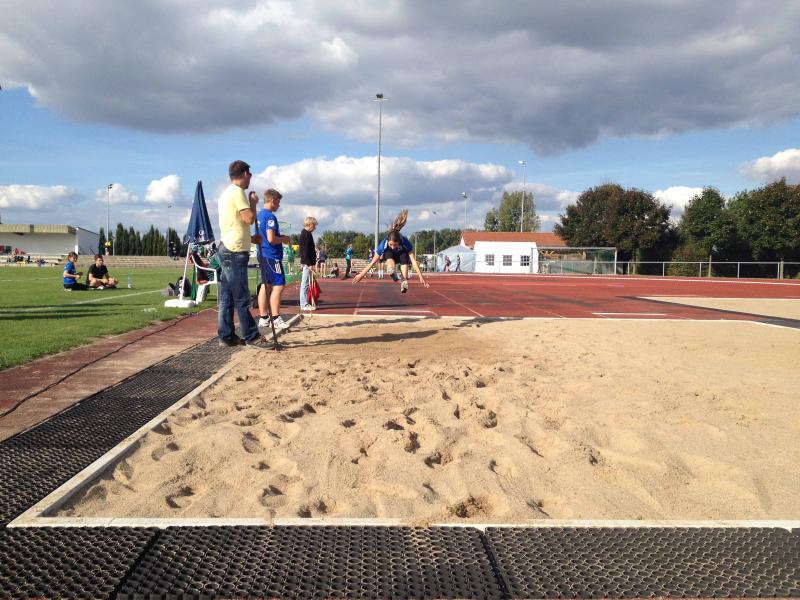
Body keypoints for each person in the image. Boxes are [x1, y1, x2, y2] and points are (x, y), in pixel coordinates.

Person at [217, 160, 271, 348]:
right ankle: (252, 336)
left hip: (228, 247)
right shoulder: (237, 192)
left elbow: (235, 224)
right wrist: (253, 204)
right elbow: (248, 218)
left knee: (227, 297)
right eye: (250, 174)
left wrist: (251, 238)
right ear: (245, 174)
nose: (251, 178)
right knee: (241, 297)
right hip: (234, 251)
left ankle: (226, 335)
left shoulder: (226, 193)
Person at [352, 209, 430, 293]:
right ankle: (391, 270)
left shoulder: (406, 242)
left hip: (401, 255)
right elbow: (372, 262)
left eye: (395, 245)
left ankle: (404, 280)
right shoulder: (383, 244)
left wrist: (421, 276)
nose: (393, 247)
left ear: (399, 241)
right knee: (388, 253)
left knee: (404, 257)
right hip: (390, 256)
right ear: (388, 241)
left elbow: (413, 261)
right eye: (391, 244)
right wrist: (361, 274)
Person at [256, 188, 294, 334]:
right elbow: (271, 239)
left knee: (266, 285)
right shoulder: (270, 216)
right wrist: (283, 239)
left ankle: (263, 317)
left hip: (262, 253)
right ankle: (276, 317)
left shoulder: (259, 215)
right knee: (278, 286)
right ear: (272, 200)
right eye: (278, 202)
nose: (279, 205)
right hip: (272, 255)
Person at [299, 216, 318, 311]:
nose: (315, 228)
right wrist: (309, 264)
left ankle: (305, 302)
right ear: (310, 224)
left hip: (309, 262)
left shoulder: (308, 234)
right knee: (305, 283)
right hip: (307, 263)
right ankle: (304, 303)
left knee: (307, 283)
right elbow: (305, 251)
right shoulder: (305, 235)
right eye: (314, 225)